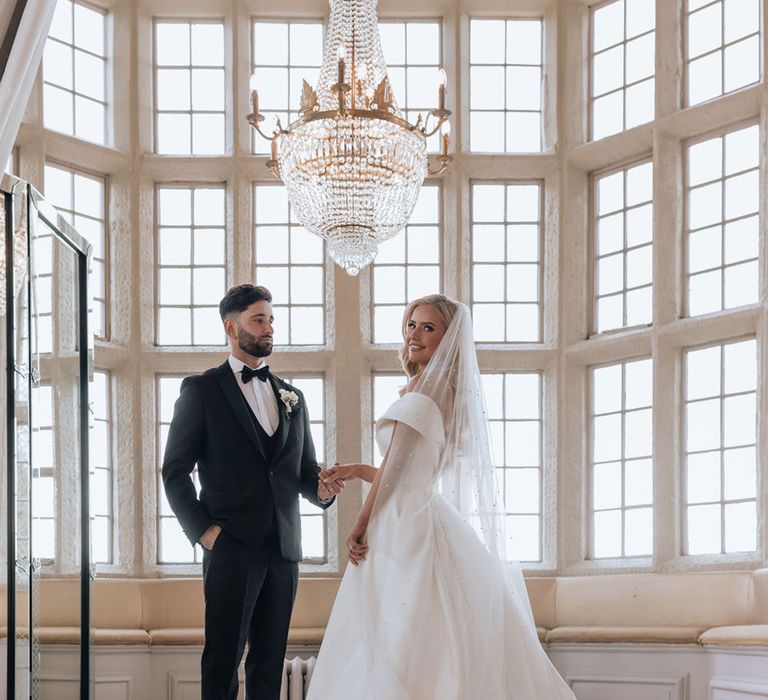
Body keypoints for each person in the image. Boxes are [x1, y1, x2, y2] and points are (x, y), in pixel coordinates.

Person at [307, 294, 576, 699]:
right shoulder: (447, 391)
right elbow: (409, 470)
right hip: (420, 510)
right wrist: (358, 471)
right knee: (424, 630)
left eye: (428, 327)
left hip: (401, 524)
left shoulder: (423, 389)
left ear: (448, 338)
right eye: (412, 324)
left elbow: (398, 472)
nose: (414, 334)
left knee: (398, 637)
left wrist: (360, 524)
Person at [162, 284, 343, 700]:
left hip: (283, 550)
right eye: (259, 319)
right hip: (230, 547)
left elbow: (303, 472)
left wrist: (323, 488)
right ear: (231, 326)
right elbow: (174, 472)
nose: (269, 328)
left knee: (269, 662)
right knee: (223, 661)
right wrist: (206, 533)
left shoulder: (293, 397)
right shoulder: (201, 391)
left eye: (271, 319)